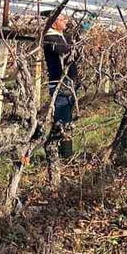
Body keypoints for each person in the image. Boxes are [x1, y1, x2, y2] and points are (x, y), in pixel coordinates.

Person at [43, 13, 80, 159]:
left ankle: (61, 152)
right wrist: (73, 46)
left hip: (68, 83)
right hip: (59, 83)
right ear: (53, 23)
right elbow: (65, 50)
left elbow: (75, 52)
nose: (66, 21)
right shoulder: (50, 39)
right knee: (63, 120)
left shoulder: (63, 37)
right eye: (62, 19)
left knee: (66, 118)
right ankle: (65, 155)